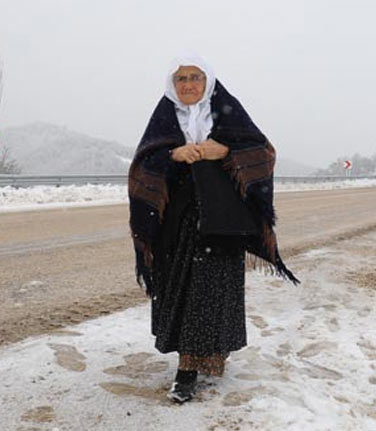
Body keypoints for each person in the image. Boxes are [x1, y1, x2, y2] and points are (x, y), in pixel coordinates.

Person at [128, 54, 299, 403]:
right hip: (177, 220)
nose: (188, 85)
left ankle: (200, 362)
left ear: (208, 81)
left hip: (221, 220)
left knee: (213, 290)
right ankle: (187, 363)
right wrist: (173, 155)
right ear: (172, 84)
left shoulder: (226, 110)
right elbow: (143, 163)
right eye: (181, 79)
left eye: (195, 77)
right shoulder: (164, 117)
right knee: (180, 289)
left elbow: (263, 152)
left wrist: (225, 150)